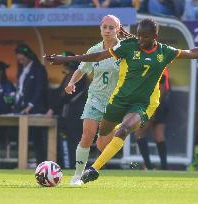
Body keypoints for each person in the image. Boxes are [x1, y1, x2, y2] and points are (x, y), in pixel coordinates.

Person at [45, 18, 198, 185]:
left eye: (144, 36)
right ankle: (104, 155)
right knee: (102, 137)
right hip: (118, 100)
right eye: (138, 35)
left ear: (155, 36)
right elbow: (98, 56)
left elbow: (192, 53)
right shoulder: (128, 46)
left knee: (123, 130)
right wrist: (66, 60)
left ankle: (93, 170)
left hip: (141, 104)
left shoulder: (165, 52)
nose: (140, 39)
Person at [54, 15, 134, 185]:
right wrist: (71, 83)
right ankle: (77, 175)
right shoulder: (94, 50)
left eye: (111, 27)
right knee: (86, 136)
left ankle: (100, 156)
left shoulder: (125, 50)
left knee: (102, 145)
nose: (107, 30)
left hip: (115, 103)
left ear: (118, 29)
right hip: (95, 98)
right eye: (104, 27)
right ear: (100, 29)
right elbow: (81, 68)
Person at [46, 51, 88, 169]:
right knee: (69, 142)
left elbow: (66, 96)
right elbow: (59, 93)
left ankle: (73, 167)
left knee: (74, 142)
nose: (63, 66)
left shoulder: (78, 75)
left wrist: (53, 109)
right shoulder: (69, 75)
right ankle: (68, 165)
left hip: (76, 115)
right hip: (70, 115)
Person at [14, 43, 49, 164]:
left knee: (37, 139)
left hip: (36, 109)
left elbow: (39, 90)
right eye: (19, 59)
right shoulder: (22, 70)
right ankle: (22, 162)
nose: (21, 61)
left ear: (28, 56)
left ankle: (41, 163)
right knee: (20, 137)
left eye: (22, 59)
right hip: (21, 109)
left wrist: (30, 105)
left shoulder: (39, 69)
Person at [134, 68, 170, 170]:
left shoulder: (155, 64)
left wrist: (153, 106)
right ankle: (164, 167)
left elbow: (161, 86)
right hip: (162, 101)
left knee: (139, 134)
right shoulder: (162, 63)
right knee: (159, 134)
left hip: (153, 102)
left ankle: (149, 167)